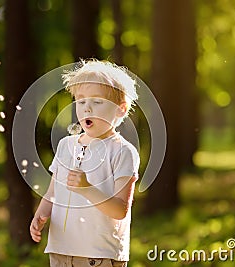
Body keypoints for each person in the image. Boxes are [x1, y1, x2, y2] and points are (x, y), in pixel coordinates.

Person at [30, 59, 140, 267]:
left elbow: (120, 210)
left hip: (98, 254)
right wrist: (41, 213)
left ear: (120, 109)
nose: (87, 108)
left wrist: (87, 189)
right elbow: (53, 191)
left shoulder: (122, 151)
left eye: (97, 102)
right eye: (81, 101)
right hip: (61, 249)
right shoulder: (66, 145)